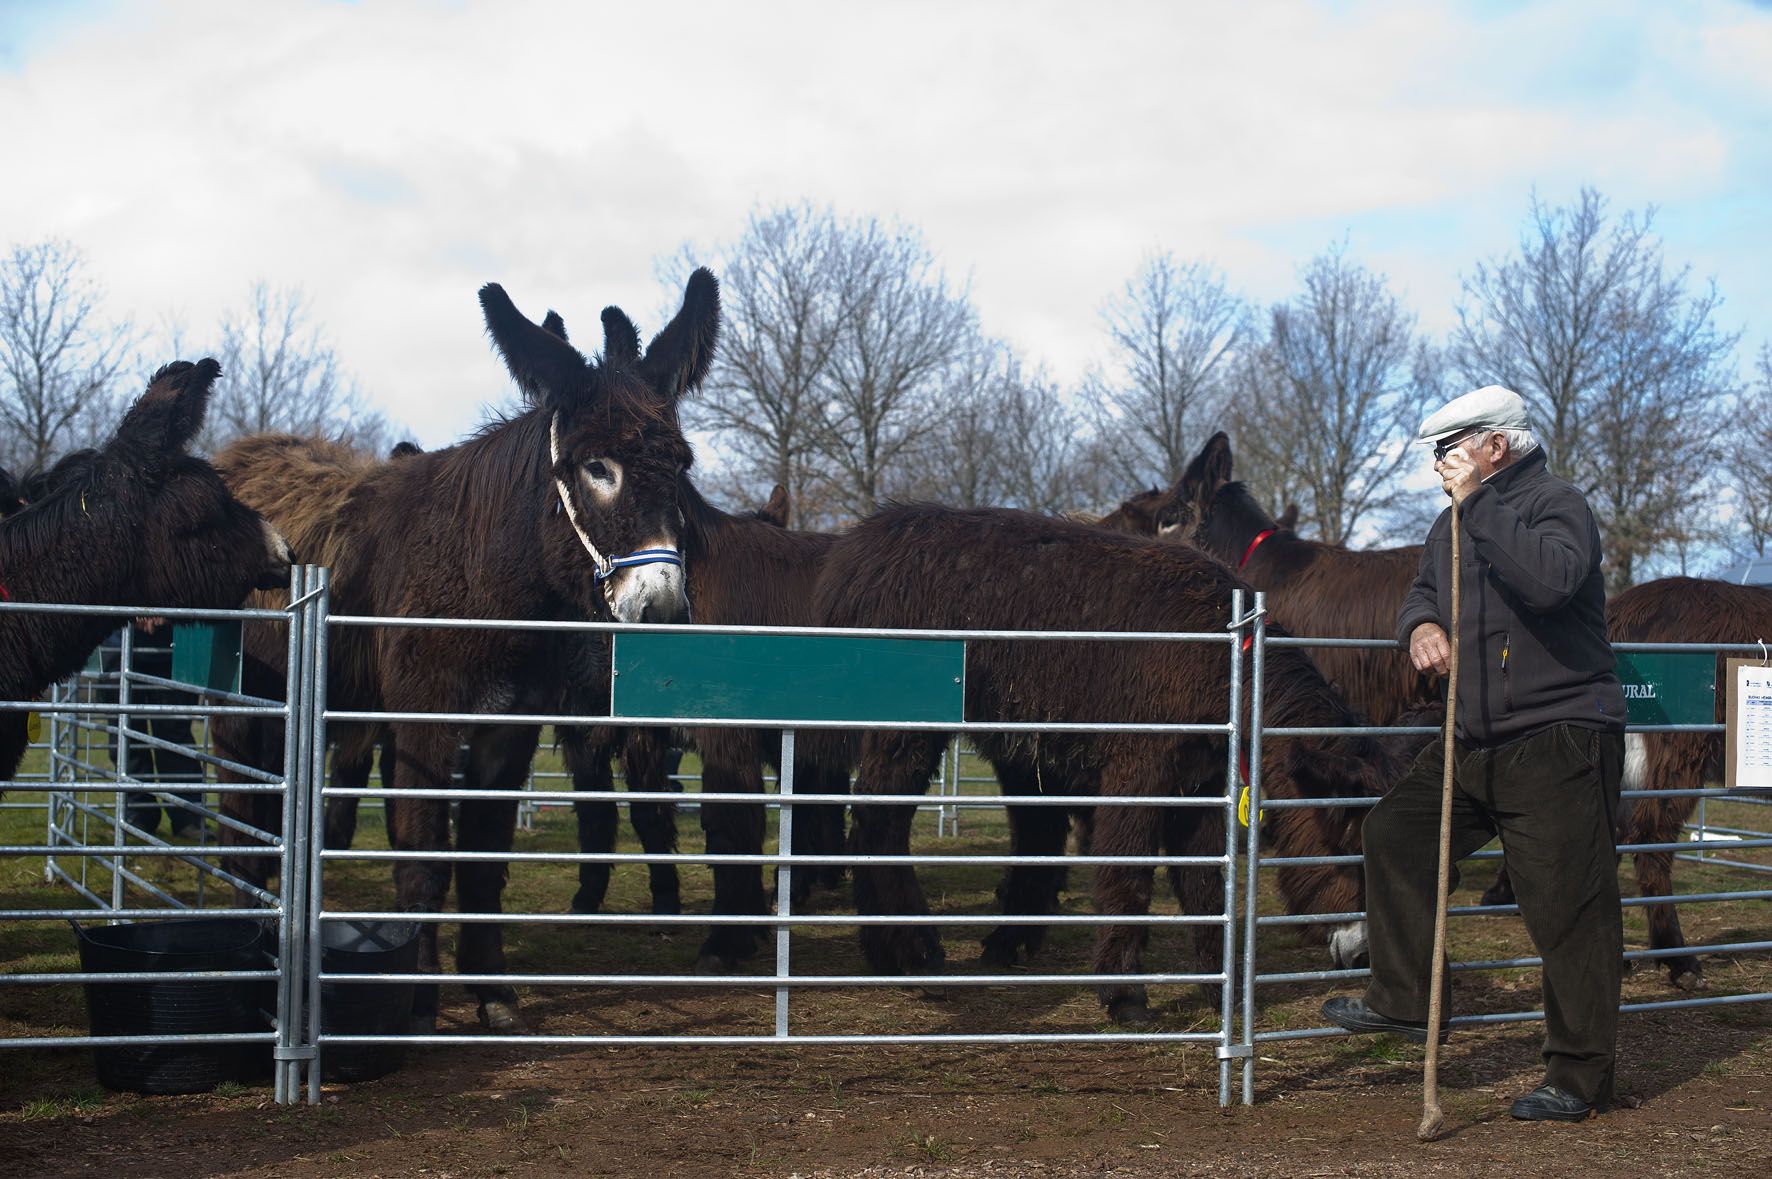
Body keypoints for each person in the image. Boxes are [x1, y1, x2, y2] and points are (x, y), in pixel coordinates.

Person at [1321, 384, 1627, 1123]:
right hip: (1473, 738)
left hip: (1557, 737)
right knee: (1395, 832)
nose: (1438, 463)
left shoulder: (1558, 505)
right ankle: (1405, 997)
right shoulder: (1450, 523)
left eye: (1449, 448)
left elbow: (1550, 582)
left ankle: (1580, 1076)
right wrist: (1420, 625)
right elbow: (1422, 591)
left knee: (1568, 908)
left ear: (1495, 445)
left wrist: (1479, 508)